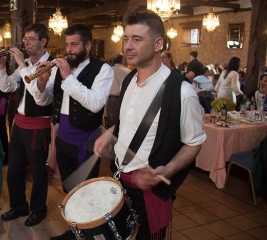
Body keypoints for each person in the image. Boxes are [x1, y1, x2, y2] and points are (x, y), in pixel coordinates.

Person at [94, 11, 206, 240]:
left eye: (137, 39)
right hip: (120, 176)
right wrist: (110, 134)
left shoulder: (182, 92)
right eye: (126, 39)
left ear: (158, 44)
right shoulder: (128, 80)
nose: (128, 46)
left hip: (150, 191)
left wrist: (169, 169)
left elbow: (194, 143)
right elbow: (129, 121)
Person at [31, 24, 113, 240]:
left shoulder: (103, 69)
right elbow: (46, 99)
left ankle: (92, 232)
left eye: (74, 44)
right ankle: (79, 230)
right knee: (69, 188)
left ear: (88, 45)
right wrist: (41, 81)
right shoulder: (62, 68)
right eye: (67, 44)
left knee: (86, 191)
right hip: (62, 138)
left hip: (85, 141)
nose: (69, 50)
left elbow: (95, 104)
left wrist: (68, 77)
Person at [0, 23, 54, 227]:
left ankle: (39, 209)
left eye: (31, 39)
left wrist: (22, 63)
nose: (26, 43)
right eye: (25, 39)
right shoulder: (26, 63)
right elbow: (8, 86)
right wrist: (2, 67)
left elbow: (41, 99)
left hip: (38, 125)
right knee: (14, 170)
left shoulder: (51, 65)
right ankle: (19, 206)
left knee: (38, 172)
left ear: (43, 41)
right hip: (18, 124)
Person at [106, 53, 130, 128]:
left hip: (111, 98)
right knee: (122, 121)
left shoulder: (108, 70)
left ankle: (113, 138)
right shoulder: (127, 71)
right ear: (122, 60)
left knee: (111, 122)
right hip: (123, 98)